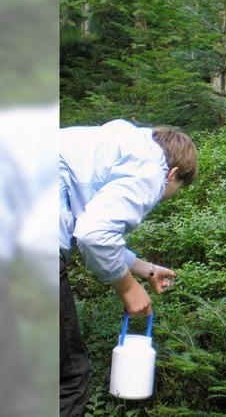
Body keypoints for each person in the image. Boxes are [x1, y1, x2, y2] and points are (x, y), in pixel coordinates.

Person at [59, 119, 198, 417]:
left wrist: (145, 270)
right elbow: (94, 235)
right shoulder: (152, 170)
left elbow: (90, 228)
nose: (168, 195)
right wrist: (127, 288)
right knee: (68, 377)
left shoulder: (122, 143)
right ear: (172, 174)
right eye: (177, 188)